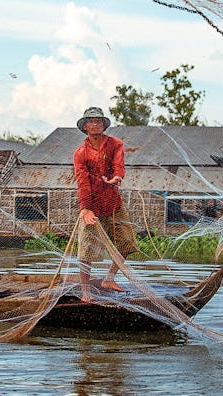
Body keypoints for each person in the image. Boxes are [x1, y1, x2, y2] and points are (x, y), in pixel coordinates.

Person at [73, 107, 138, 303]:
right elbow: (82, 181)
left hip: (112, 202)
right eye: (91, 120)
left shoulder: (115, 144)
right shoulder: (80, 153)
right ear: (85, 126)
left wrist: (117, 177)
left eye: (99, 120)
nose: (95, 123)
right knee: (86, 250)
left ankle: (108, 279)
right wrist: (85, 208)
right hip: (91, 205)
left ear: (104, 124)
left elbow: (119, 165)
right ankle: (86, 291)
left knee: (127, 242)